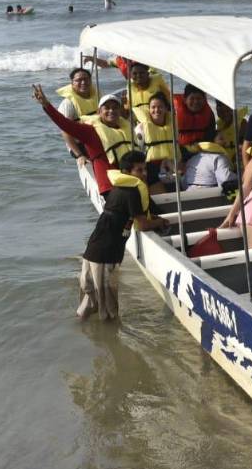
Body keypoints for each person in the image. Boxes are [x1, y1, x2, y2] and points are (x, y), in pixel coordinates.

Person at [77, 150, 168, 320]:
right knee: (109, 312)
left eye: (145, 169)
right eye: (139, 170)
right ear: (127, 172)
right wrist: (160, 222)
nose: (144, 174)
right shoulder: (132, 192)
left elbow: (139, 215)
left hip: (94, 250)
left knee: (91, 304)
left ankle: (87, 337)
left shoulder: (122, 188)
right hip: (106, 255)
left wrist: (155, 218)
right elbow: (141, 224)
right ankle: (108, 343)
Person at [33, 85, 130, 195]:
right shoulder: (90, 131)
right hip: (109, 184)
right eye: (107, 108)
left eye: (115, 107)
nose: (111, 111)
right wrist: (46, 104)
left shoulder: (127, 129)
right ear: (99, 112)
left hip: (130, 178)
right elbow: (64, 124)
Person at [133, 92, 176, 191]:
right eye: (153, 107)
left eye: (160, 107)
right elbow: (137, 152)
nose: (156, 110)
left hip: (170, 167)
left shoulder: (173, 126)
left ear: (166, 109)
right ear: (149, 109)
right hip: (150, 169)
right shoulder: (141, 129)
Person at [56, 67, 99, 155]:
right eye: (79, 80)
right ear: (72, 83)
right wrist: (79, 155)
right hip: (80, 145)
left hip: (99, 138)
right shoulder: (68, 104)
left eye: (86, 79)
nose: (83, 82)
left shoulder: (98, 97)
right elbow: (65, 131)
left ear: (90, 81)